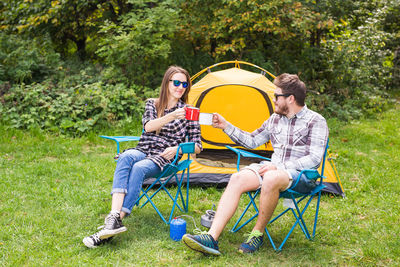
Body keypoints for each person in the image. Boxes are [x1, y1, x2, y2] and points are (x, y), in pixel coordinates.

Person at [182, 73, 329, 255]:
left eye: (277, 96)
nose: (273, 100)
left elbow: (315, 158)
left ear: (290, 99)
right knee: (237, 178)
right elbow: (252, 141)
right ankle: (211, 237)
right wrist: (226, 126)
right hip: (272, 170)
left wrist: (280, 168)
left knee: (271, 177)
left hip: (301, 175)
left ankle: (257, 234)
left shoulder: (316, 121)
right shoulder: (275, 119)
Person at [83, 66, 202, 248]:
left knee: (139, 168)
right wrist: (170, 116)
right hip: (144, 149)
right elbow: (148, 127)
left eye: (184, 84)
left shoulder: (189, 111)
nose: (180, 87)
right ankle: (114, 217)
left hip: (164, 157)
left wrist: (177, 149)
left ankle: (114, 223)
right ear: (167, 83)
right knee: (126, 157)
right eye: (176, 82)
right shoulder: (152, 104)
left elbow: (197, 145)